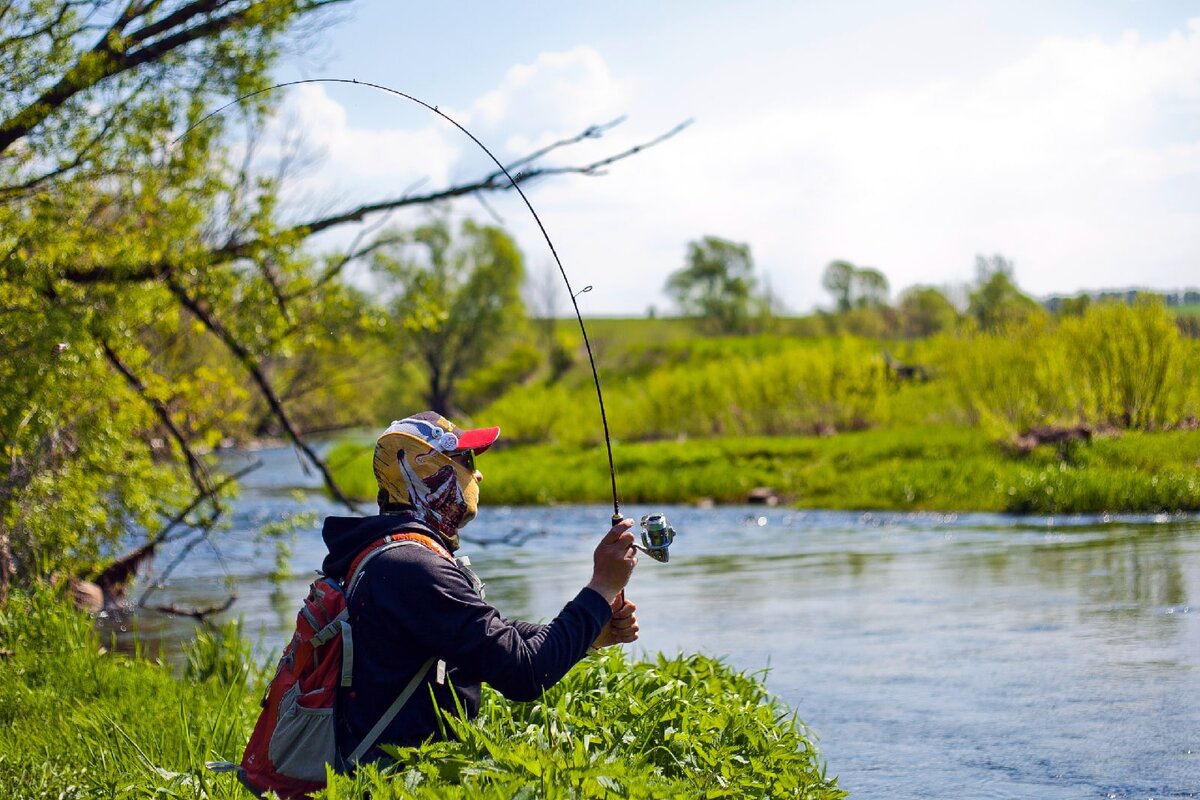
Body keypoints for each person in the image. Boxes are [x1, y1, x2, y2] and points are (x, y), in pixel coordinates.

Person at [320, 412, 640, 765]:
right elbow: (525, 673)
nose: (478, 474)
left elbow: (496, 637)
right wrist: (602, 586)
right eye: (466, 460)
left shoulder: (388, 552)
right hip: (393, 781)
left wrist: (591, 631)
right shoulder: (413, 568)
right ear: (425, 469)